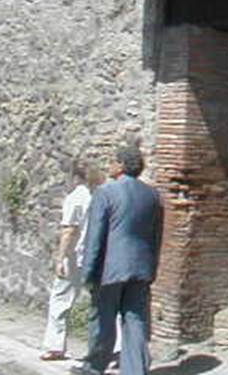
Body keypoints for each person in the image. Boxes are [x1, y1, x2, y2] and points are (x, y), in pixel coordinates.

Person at [71, 146, 163, 375]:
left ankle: (94, 366)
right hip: (141, 267)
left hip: (110, 268)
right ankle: (135, 370)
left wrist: (89, 272)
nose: (109, 165)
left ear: (121, 165)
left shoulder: (106, 192)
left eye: (113, 161)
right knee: (136, 321)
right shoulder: (152, 195)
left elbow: (96, 235)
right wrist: (152, 268)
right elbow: (156, 235)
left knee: (102, 320)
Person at [40, 159, 103, 361]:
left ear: (75, 176)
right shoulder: (98, 196)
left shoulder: (75, 198)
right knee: (103, 302)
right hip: (95, 253)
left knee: (60, 299)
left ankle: (55, 346)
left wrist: (60, 259)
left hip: (75, 256)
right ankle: (113, 347)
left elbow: (69, 230)